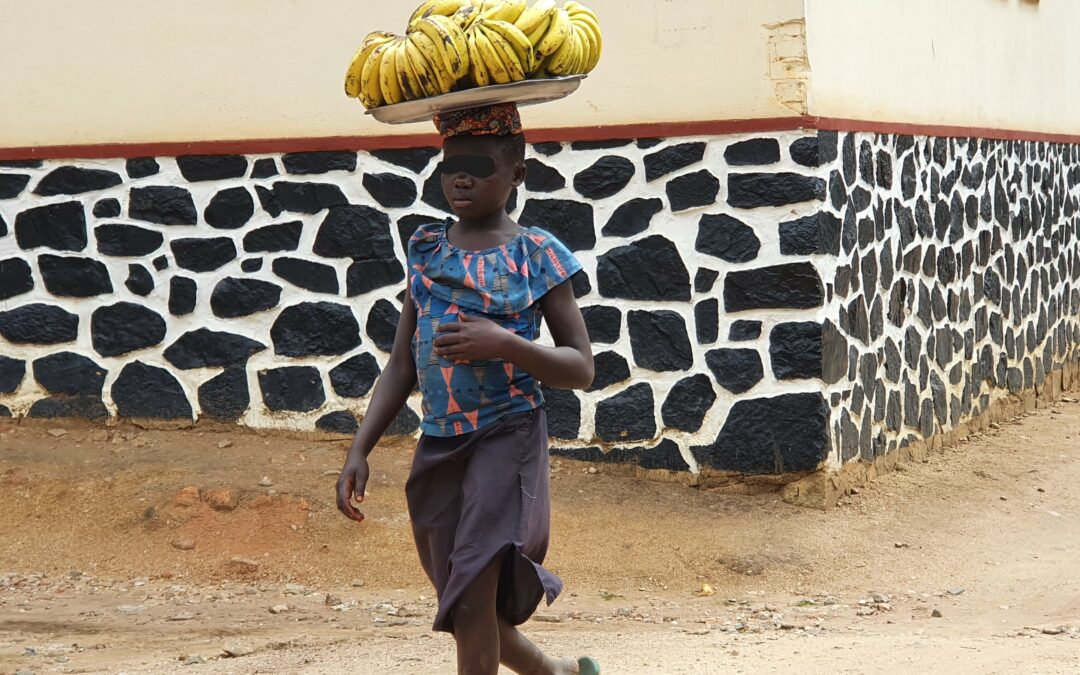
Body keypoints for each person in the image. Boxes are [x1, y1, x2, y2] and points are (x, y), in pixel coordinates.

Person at [336, 103, 600, 675]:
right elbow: (403, 363)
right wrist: (361, 448)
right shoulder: (427, 249)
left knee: (475, 579)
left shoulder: (536, 254)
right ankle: (556, 673)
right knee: (462, 597)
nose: (462, 178)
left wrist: (504, 344)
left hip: (507, 436)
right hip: (439, 443)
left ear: (518, 175)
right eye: (451, 166)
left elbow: (580, 367)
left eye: (480, 167)